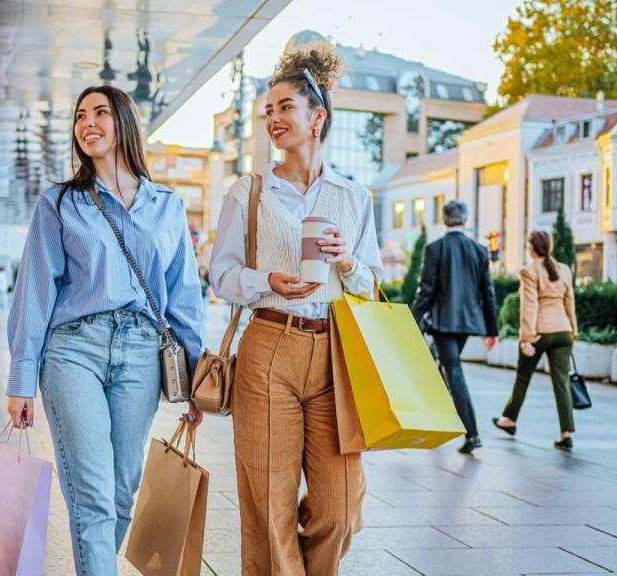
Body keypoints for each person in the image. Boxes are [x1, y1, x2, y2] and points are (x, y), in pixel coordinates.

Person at [5, 85, 205, 576]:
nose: (87, 123)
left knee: (121, 491)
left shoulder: (167, 207)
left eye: (99, 113)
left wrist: (197, 378)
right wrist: (20, 378)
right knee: (93, 493)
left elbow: (184, 298)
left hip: (141, 354)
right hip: (74, 351)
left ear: (124, 124)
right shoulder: (60, 203)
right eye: (79, 116)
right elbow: (34, 290)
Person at [210, 41, 382, 575]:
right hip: (268, 347)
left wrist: (348, 263)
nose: (274, 120)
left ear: (317, 117)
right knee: (268, 500)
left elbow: (374, 286)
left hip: (335, 353)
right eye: (269, 111)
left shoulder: (355, 198)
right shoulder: (250, 191)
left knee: (342, 505)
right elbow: (220, 276)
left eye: (286, 108)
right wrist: (268, 280)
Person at [411, 200, 498, 454]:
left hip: (443, 322)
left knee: (453, 370)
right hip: (468, 322)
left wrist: (413, 321)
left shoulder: (435, 248)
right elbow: (488, 293)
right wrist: (492, 330)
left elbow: (425, 292)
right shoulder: (479, 250)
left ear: (444, 219)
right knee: (446, 364)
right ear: (465, 219)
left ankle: (472, 434)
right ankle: (437, 418)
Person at [493, 230, 579, 450]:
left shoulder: (529, 272)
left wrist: (526, 339)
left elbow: (529, 306)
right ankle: (566, 432)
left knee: (523, 377)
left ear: (531, 248)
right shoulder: (564, 270)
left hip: (540, 332)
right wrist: (573, 331)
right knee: (562, 382)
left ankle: (509, 420)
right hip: (563, 331)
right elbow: (570, 302)